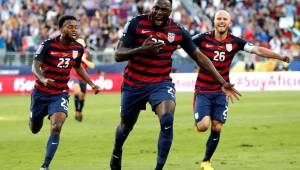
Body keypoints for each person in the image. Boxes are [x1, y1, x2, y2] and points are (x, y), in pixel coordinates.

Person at [109, 1, 240, 170]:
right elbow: (118, 55)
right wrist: (141, 49)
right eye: (156, 8)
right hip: (134, 83)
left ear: (171, 11)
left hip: (160, 83)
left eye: (164, 9)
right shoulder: (136, 23)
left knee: (167, 119)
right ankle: (117, 150)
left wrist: (222, 82)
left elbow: (200, 58)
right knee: (126, 126)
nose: (158, 12)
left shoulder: (177, 31)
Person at [192, 10, 290, 170]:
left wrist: (279, 56)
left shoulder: (235, 41)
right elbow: (182, 43)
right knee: (203, 126)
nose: (222, 21)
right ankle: (198, 116)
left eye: (225, 19)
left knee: (217, 126)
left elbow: (258, 50)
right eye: (219, 19)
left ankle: (206, 162)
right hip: (203, 89)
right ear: (214, 21)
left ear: (229, 22)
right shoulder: (202, 38)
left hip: (223, 90)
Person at [29, 15, 99, 170]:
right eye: (70, 26)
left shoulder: (78, 48)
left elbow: (78, 67)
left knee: (56, 126)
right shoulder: (47, 45)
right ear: (61, 29)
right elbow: (35, 66)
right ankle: (33, 115)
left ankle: (45, 166)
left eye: (75, 27)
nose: (74, 30)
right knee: (34, 128)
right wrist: (42, 78)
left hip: (60, 93)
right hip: (41, 92)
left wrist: (92, 83)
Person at [70, 38, 95, 122]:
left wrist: (84, 60)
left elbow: (92, 66)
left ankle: (79, 111)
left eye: (82, 42)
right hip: (73, 75)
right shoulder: (73, 52)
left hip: (83, 77)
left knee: (82, 96)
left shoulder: (88, 53)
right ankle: (77, 111)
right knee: (77, 92)